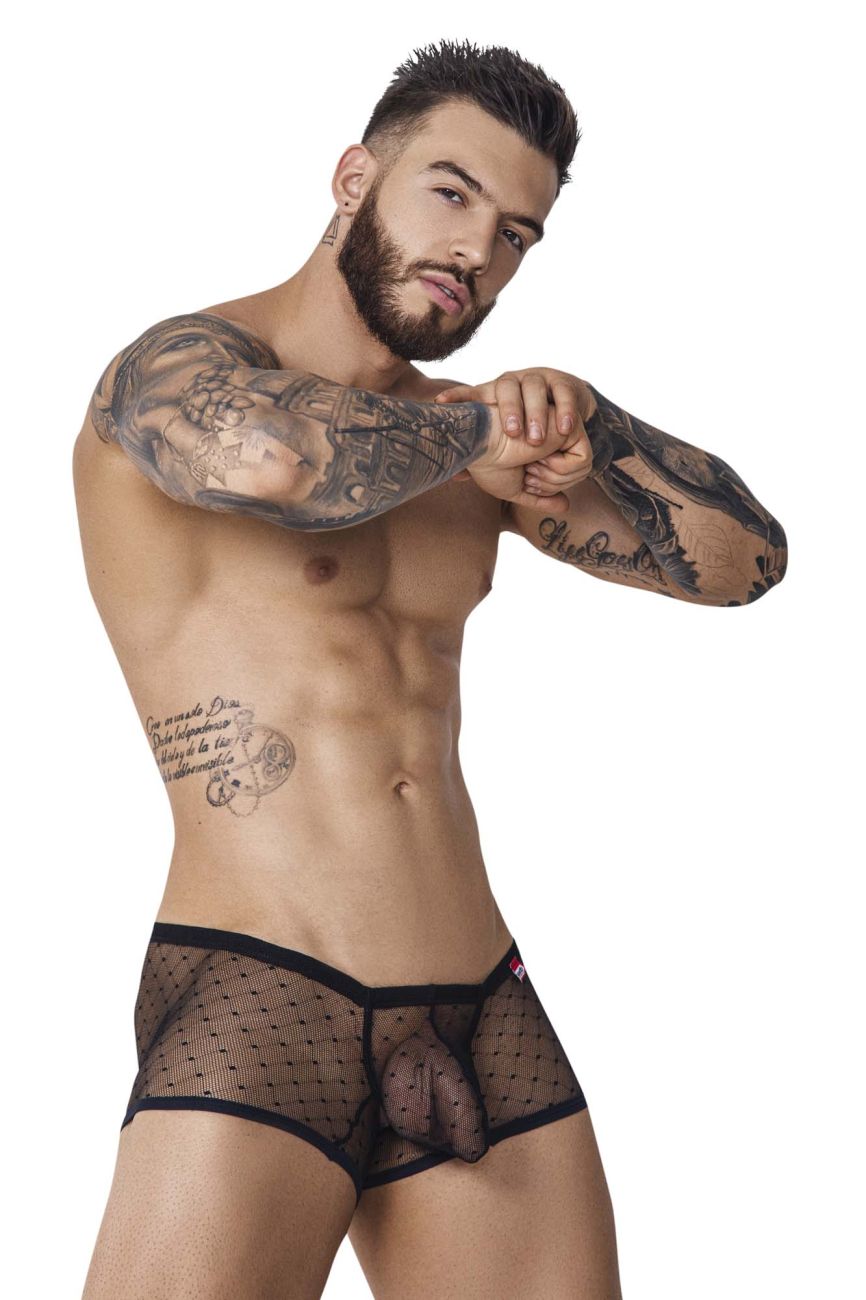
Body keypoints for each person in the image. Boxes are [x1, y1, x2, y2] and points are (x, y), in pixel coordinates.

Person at [72, 37, 787, 1300]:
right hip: (265, 990)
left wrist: (590, 419)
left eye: (514, 234)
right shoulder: (173, 375)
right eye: (449, 193)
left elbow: (744, 564)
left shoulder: (475, 450)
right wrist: (479, 429)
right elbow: (276, 465)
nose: (474, 251)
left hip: (478, 1004)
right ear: (355, 176)